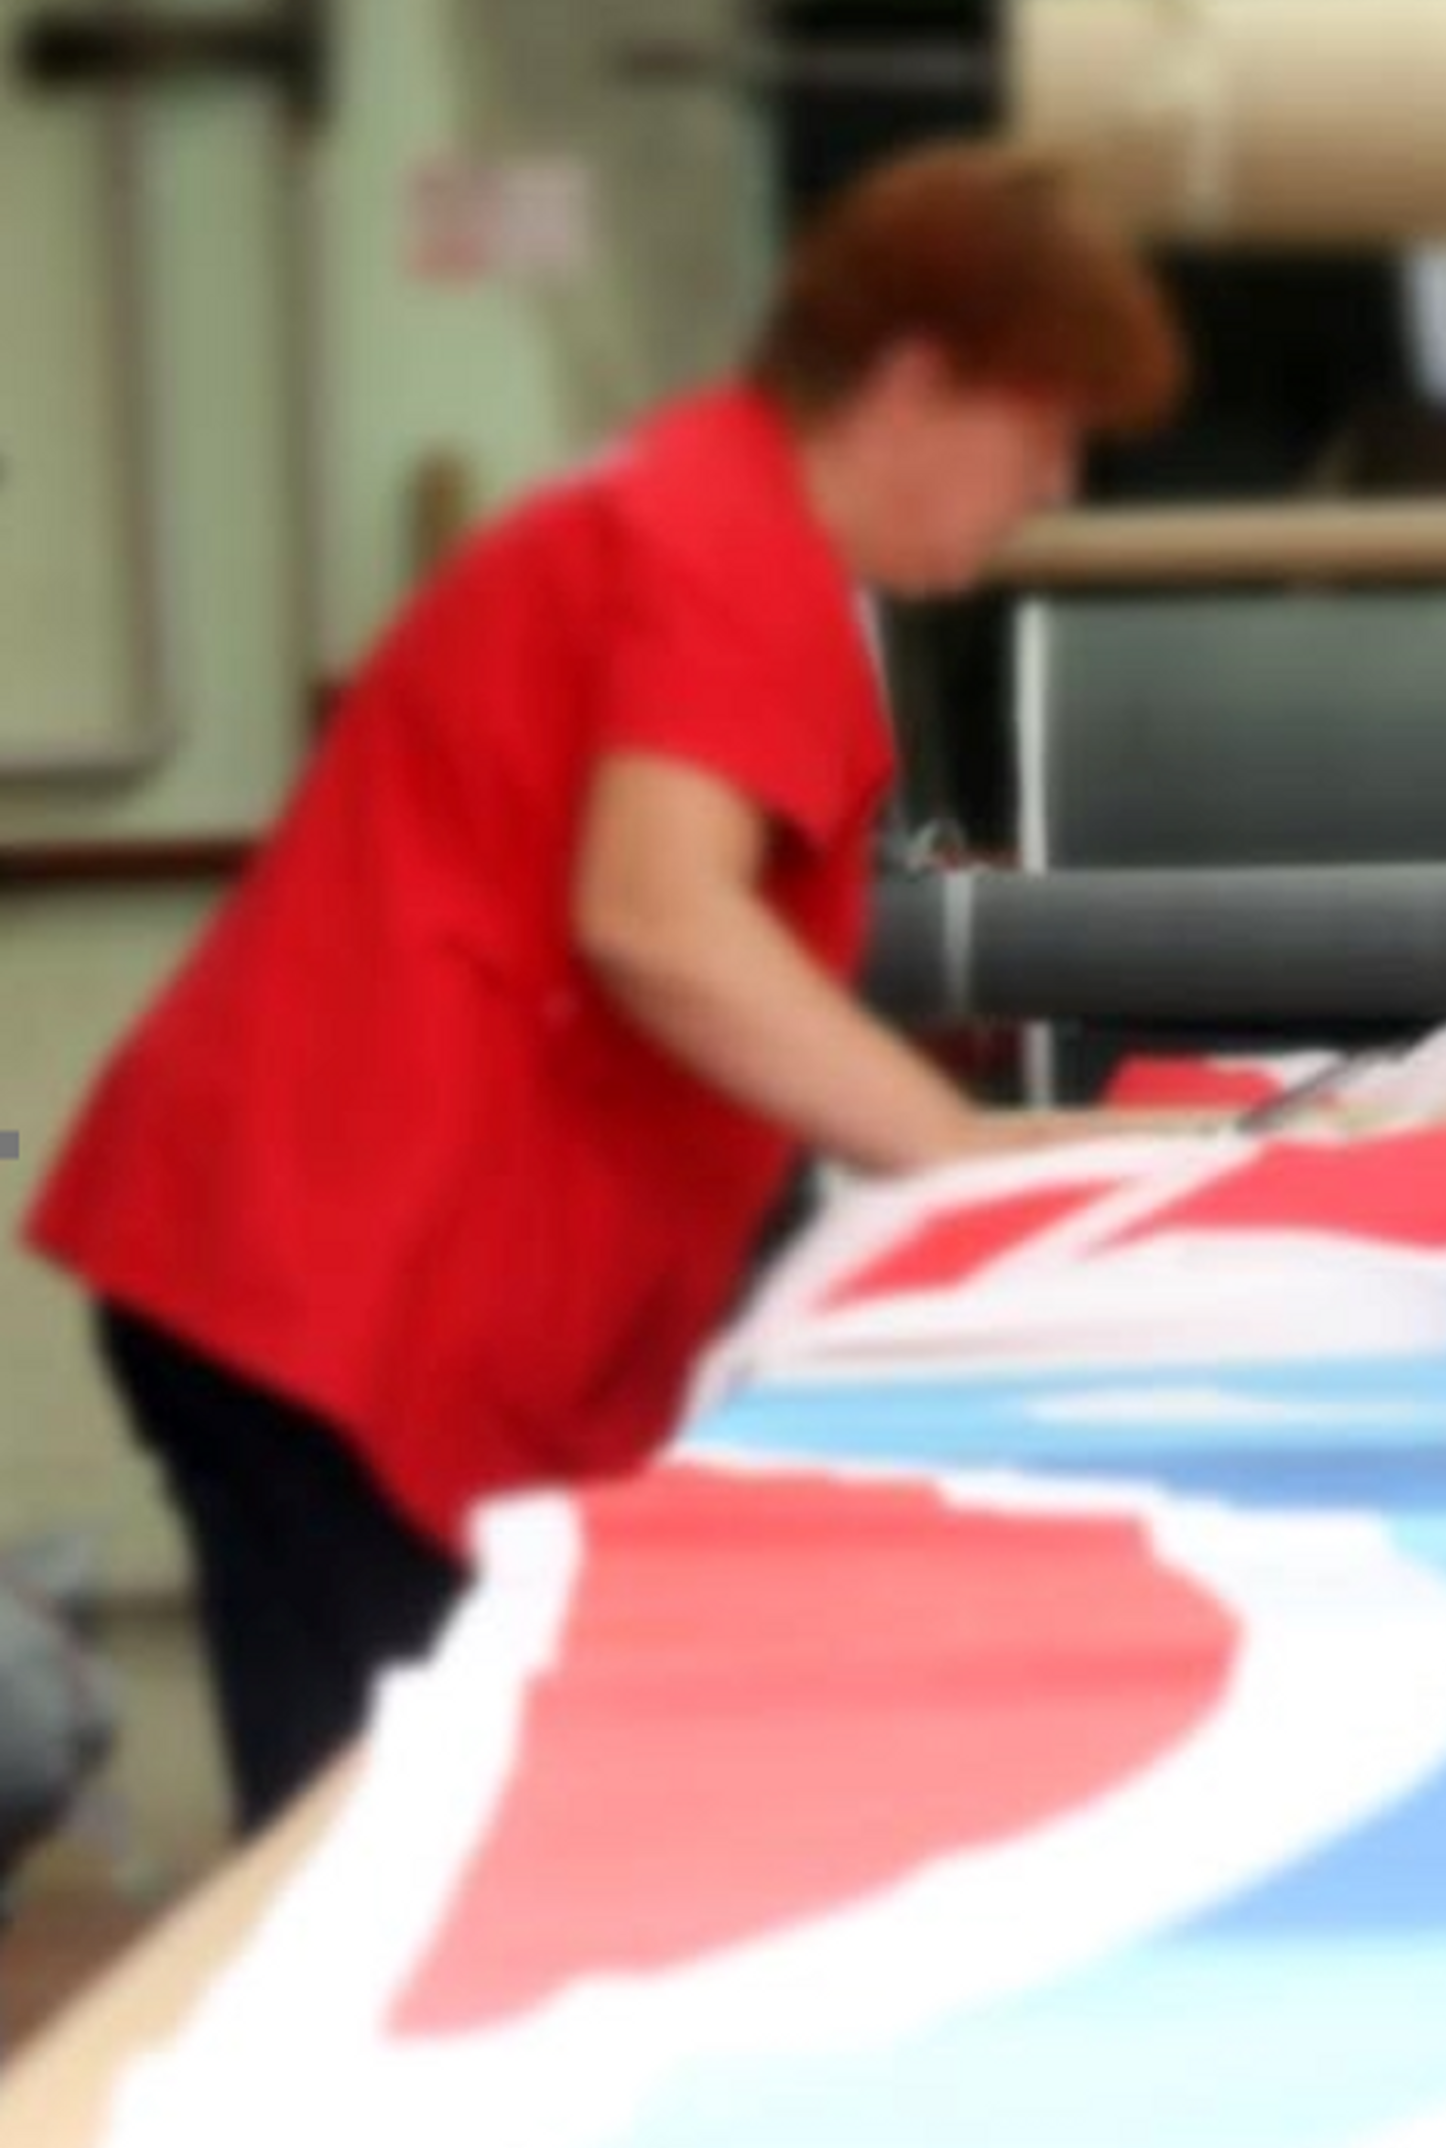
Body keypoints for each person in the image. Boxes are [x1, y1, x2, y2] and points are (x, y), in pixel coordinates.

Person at [28, 142, 1188, 1833]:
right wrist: (956, 1161)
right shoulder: (728, 549)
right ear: (916, 384)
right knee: (391, 1849)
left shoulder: (699, 509)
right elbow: (657, 918)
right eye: (1045, 429)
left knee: (428, 1817)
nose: (1053, 487)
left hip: (321, 1250)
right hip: (333, 1279)